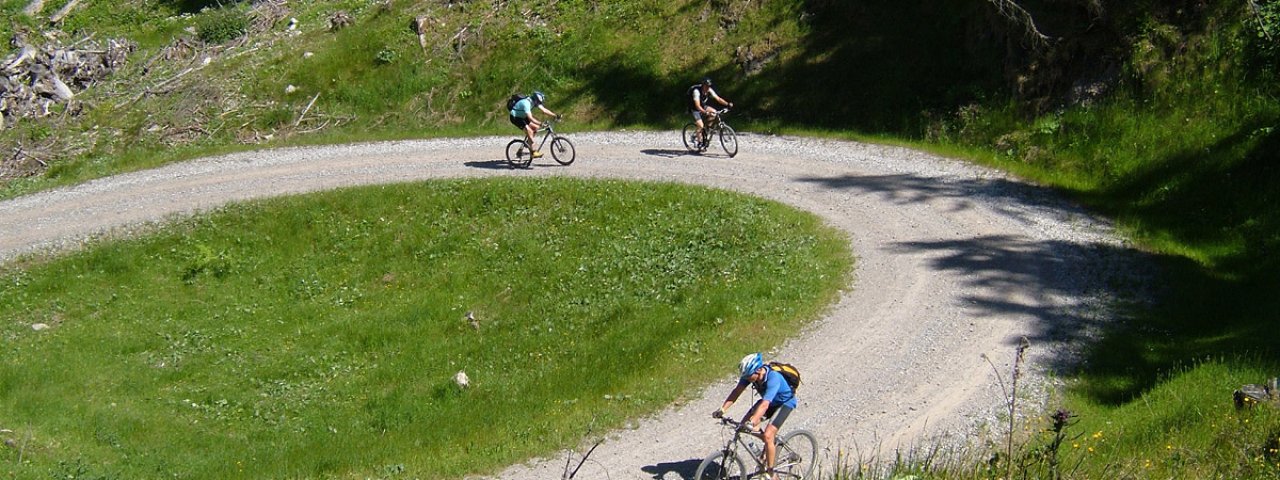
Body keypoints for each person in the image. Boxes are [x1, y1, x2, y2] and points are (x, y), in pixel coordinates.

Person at [712, 353, 797, 480]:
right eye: (744, 376)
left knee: (768, 435)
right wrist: (722, 409)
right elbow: (736, 392)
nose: (746, 378)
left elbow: (764, 405)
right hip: (769, 402)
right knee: (743, 426)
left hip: (784, 403)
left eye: (748, 376)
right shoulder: (750, 375)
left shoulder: (773, 377)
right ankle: (768, 447)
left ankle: (771, 472)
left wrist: (754, 421)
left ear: (758, 370)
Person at [508, 90, 560, 158]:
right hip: (515, 117)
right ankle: (533, 152)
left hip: (523, 116)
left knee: (536, 127)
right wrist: (541, 123)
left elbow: (544, 110)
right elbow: (530, 118)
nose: (539, 104)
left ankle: (527, 143)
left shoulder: (534, 101)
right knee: (529, 131)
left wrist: (555, 115)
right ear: (535, 100)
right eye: (538, 102)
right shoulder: (526, 103)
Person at [687, 77, 733, 151]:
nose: (707, 87)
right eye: (706, 86)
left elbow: (718, 98)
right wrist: (706, 112)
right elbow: (697, 106)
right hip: (695, 108)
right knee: (701, 126)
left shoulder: (709, 90)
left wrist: (727, 104)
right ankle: (699, 141)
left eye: (709, 86)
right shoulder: (696, 91)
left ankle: (707, 127)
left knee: (714, 112)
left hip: (703, 106)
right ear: (703, 85)